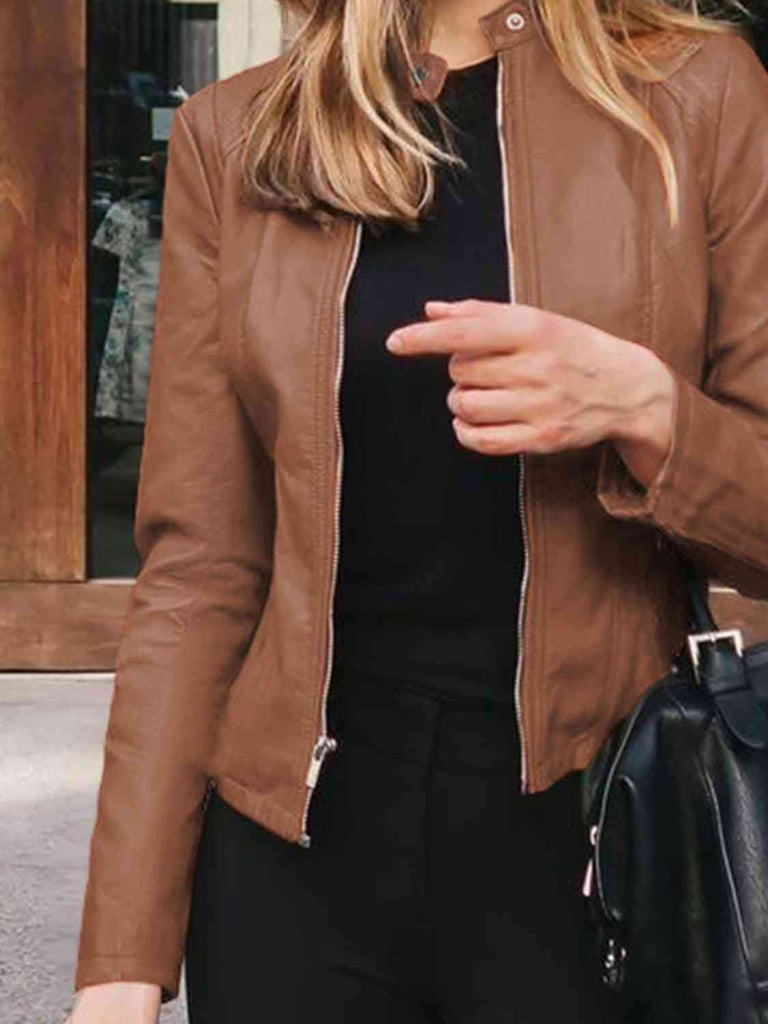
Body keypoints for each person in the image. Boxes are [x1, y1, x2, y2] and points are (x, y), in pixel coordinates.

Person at [69, 0, 768, 1020]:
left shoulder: (696, 92)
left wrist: (650, 412)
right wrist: (119, 961)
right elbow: (200, 569)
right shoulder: (245, 130)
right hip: (289, 868)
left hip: (595, 844)